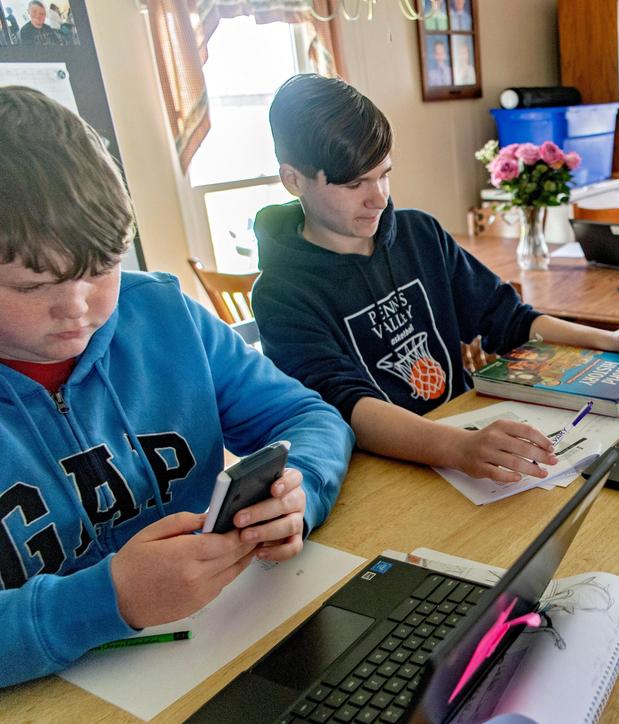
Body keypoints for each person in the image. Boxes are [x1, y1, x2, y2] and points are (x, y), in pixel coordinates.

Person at [0, 86, 354, 686]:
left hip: (230, 647)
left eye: (102, 269)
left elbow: (308, 417)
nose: (79, 309)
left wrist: (300, 492)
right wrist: (108, 599)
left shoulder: (164, 314)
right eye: (33, 287)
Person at [252, 75, 619, 485]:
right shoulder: (281, 294)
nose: (378, 198)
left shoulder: (419, 234)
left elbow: (508, 318)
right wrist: (459, 447)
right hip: (384, 472)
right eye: (353, 184)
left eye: (384, 174)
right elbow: (346, 407)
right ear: (293, 180)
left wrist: (610, 340)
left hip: (461, 441)